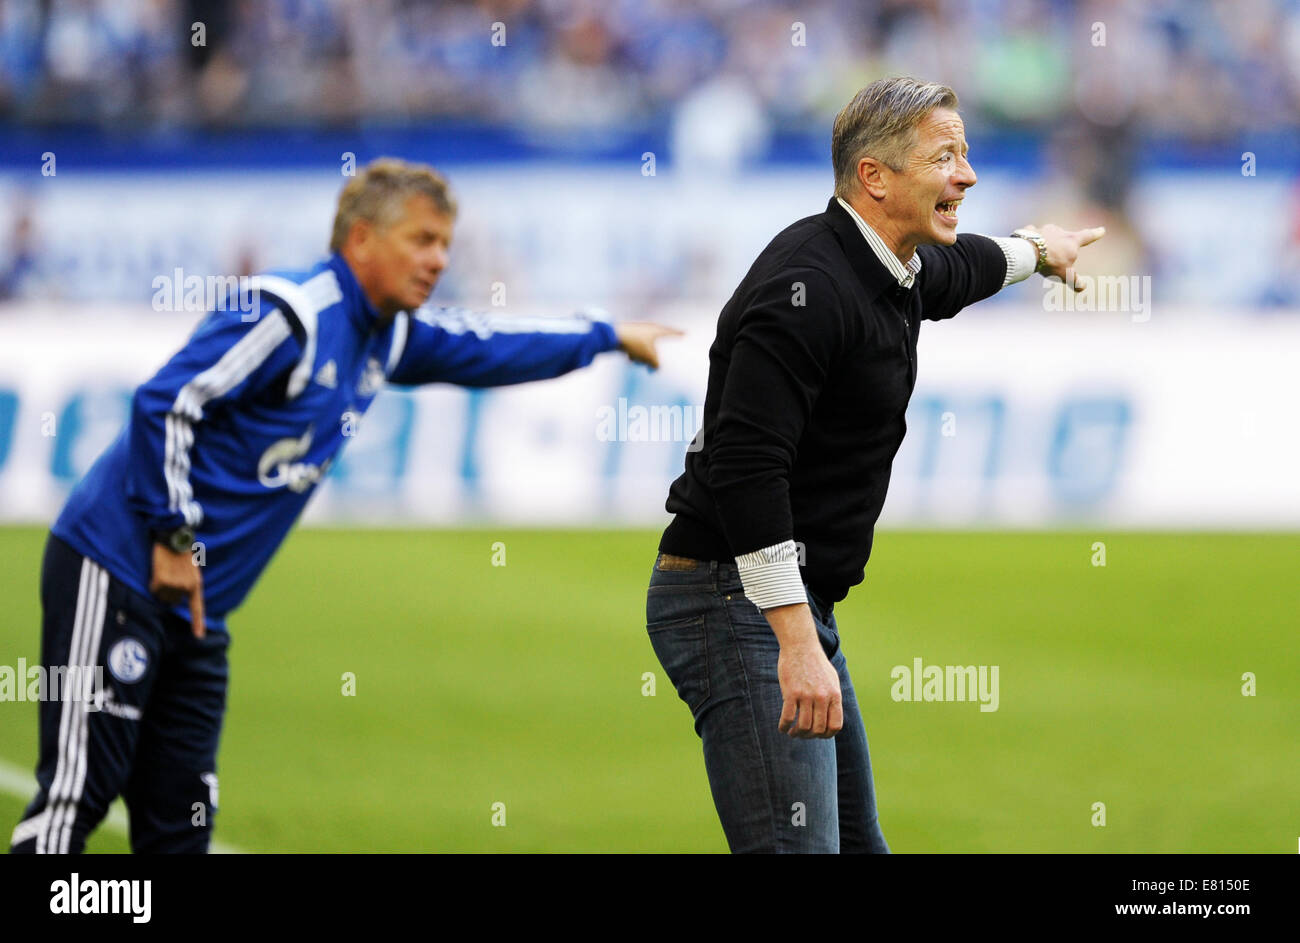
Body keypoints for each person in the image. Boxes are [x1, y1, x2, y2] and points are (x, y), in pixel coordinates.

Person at [11, 157, 678, 854]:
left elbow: (487, 345)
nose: (438, 260)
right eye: (421, 240)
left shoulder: (387, 332)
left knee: (182, 819)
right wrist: (173, 537)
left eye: (445, 244)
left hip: (199, 604)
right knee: (76, 794)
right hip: (119, 565)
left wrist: (605, 335)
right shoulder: (288, 311)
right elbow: (168, 401)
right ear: (361, 239)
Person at [646, 77, 1105, 853]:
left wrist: (1038, 251)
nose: (968, 175)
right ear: (875, 177)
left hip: (780, 601)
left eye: (965, 154)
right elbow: (747, 467)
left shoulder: (891, 264)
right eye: (947, 156)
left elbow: (962, 275)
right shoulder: (809, 289)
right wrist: (794, 639)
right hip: (735, 601)